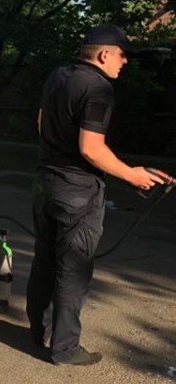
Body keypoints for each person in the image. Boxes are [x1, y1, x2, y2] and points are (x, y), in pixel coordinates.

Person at [26, 23, 165, 366]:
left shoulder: (58, 75)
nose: (125, 62)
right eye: (122, 55)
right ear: (104, 54)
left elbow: (42, 123)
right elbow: (91, 148)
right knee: (72, 270)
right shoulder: (99, 88)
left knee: (45, 259)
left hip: (45, 181)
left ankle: (38, 332)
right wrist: (132, 175)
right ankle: (65, 349)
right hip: (76, 191)